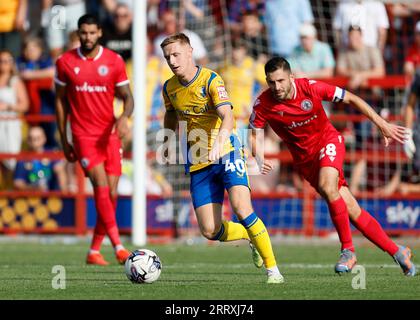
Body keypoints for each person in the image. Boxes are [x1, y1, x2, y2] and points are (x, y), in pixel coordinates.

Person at [248, 56, 416, 276]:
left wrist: (382, 124)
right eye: (271, 82)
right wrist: (258, 156)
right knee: (352, 209)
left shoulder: (311, 88)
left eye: (280, 80)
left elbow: (352, 99)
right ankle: (398, 251)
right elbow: (252, 135)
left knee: (329, 186)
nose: (276, 87)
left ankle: (348, 250)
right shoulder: (263, 103)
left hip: (328, 142)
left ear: (291, 77)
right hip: (306, 162)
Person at [160, 33, 283, 284]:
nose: (172, 61)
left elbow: (228, 116)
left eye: (176, 54)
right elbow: (171, 115)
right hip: (198, 160)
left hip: (227, 151)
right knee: (209, 230)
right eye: (167, 57)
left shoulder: (211, 80)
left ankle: (274, 272)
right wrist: (167, 141)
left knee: (241, 208)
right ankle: (250, 237)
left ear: (190, 51)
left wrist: (218, 143)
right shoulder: (169, 88)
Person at [55, 14, 134, 266]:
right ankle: (119, 247)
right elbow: (60, 101)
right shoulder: (65, 62)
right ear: (78, 34)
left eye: (91, 32)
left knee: (110, 194)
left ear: (99, 32)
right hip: (83, 135)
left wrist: (124, 118)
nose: (87, 37)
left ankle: (93, 251)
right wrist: (64, 139)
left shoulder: (114, 61)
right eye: (83, 33)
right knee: (100, 184)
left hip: (109, 134)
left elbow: (127, 97)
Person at [0, 49, 29, 189]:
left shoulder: (15, 81)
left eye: (7, 61)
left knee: (10, 158)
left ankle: (10, 190)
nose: (4, 64)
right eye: (1, 61)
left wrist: (8, 107)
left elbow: (24, 105)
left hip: (10, 124)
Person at [14, 126, 67, 191]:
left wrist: (63, 193)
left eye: (38, 138)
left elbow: (60, 172)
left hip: (52, 196)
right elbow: (18, 183)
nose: (34, 141)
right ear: (27, 140)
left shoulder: (52, 154)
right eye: (31, 138)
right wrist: (34, 189)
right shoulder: (22, 159)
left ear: (44, 138)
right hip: (31, 198)